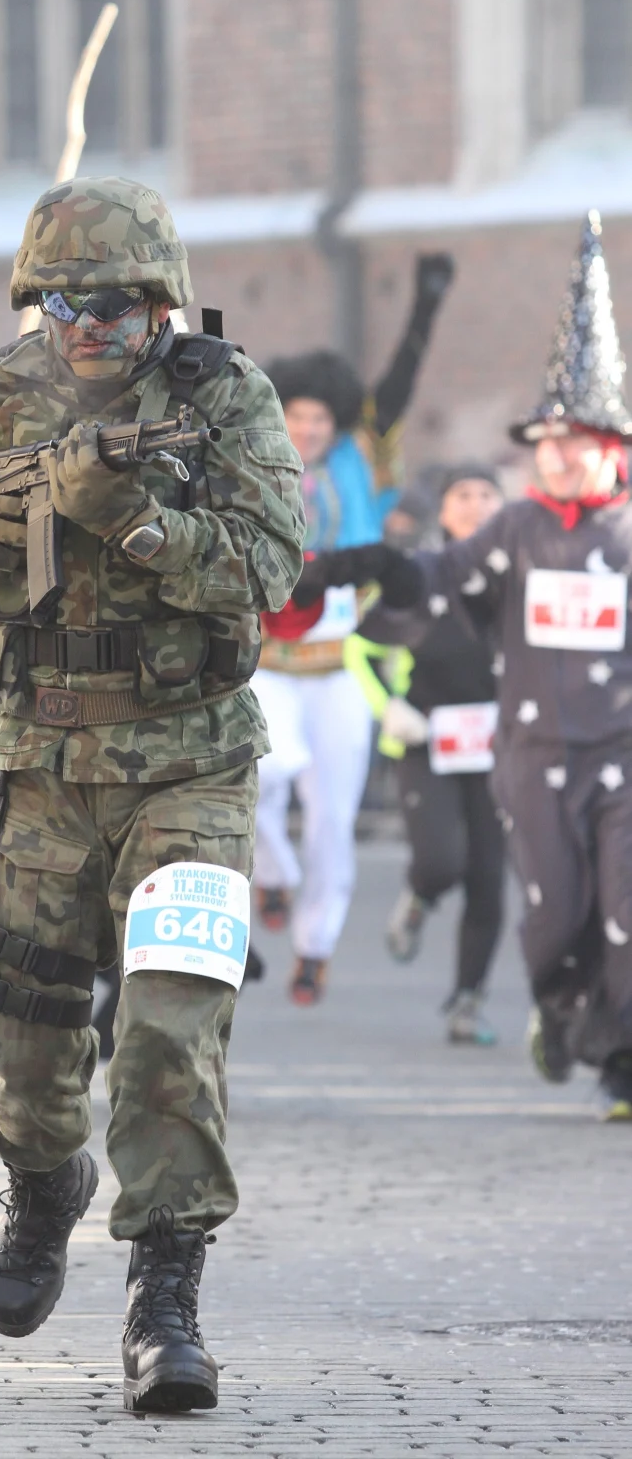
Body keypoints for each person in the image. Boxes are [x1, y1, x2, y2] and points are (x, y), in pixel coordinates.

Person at [0, 175, 305, 1413]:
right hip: (36, 766)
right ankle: (45, 1186)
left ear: (161, 304)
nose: (88, 328)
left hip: (190, 761)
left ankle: (165, 1300)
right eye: (64, 305)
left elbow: (270, 565)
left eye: (115, 306)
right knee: (27, 1039)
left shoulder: (221, 398)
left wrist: (133, 521)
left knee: (169, 1029)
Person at [303, 212, 632, 1120]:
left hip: (621, 753)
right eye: (543, 442)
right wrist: (370, 564)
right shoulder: (516, 529)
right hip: (531, 754)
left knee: (624, 907)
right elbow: (438, 579)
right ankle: (561, 1013)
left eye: (571, 441)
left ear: (611, 446)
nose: (552, 456)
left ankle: (619, 1057)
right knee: (553, 917)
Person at [251, 253, 455, 1006]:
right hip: (266, 661)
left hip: (340, 665)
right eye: (297, 416)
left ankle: (315, 946)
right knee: (259, 778)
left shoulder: (359, 462)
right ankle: (272, 872)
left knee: (333, 820)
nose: (308, 428)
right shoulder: (249, 462)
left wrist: (423, 312)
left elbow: (395, 393)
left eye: (320, 419)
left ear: (335, 424)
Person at [344, 463, 506, 1044]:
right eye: (464, 494)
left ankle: (468, 1002)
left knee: (488, 878)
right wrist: (389, 706)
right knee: (441, 861)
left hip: (501, 747)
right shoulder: (419, 574)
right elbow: (359, 648)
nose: (477, 504)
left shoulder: (520, 578)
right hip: (425, 740)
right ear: (444, 510)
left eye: (488, 494)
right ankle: (420, 897)